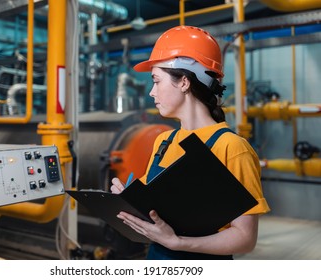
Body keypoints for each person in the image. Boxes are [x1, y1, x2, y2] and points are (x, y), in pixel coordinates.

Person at [110, 25, 270, 260]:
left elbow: (245, 238)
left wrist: (177, 242)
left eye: (156, 81)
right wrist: (129, 202)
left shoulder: (231, 148)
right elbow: (155, 211)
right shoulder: (164, 141)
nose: (152, 93)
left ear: (184, 82)